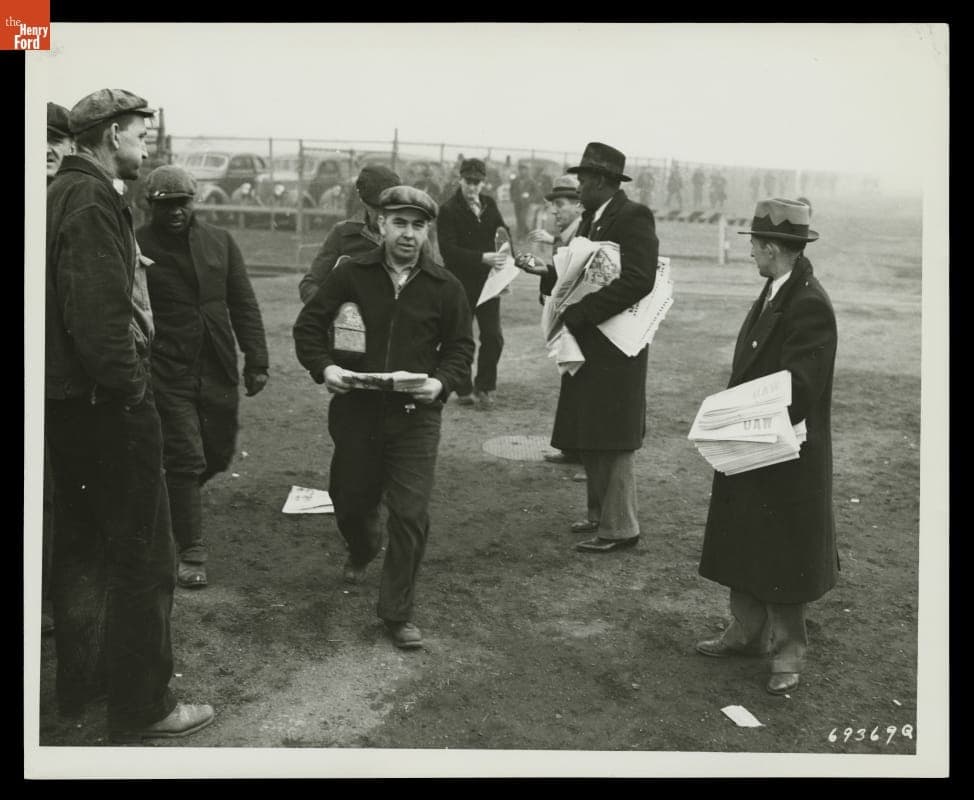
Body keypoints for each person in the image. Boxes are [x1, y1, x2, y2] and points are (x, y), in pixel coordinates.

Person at [46, 88, 213, 741]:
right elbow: (98, 322)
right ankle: (143, 706)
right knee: (144, 559)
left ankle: (82, 686)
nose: (146, 144)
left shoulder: (63, 193)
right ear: (112, 133)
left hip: (69, 409)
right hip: (109, 408)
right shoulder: (91, 199)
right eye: (140, 133)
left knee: (82, 551)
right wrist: (132, 392)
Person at [293, 186, 473, 649]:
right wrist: (325, 367)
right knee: (350, 500)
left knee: (410, 514)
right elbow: (309, 327)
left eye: (417, 225)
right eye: (399, 223)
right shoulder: (351, 274)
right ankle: (362, 544)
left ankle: (397, 613)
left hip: (416, 415)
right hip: (356, 410)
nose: (408, 234)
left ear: (427, 230)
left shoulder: (445, 286)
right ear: (380, 225)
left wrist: (441, 383)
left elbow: (460, 349)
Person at [695, 198, 837, 697]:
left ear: (774, 248)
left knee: (783, 553)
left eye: (754, 245)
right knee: (746, 538)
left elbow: (801, 386)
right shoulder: (777, 289)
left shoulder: (808, 303)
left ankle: (789, 652)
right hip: (755, 443)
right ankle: (747, 630)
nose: (750, 254)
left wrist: (743, 414)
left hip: (785, 450)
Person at [136, 165, 269, 590]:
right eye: (166, 204)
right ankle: (191, 549)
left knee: (218, 450)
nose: (176, 212)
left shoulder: (219, 241)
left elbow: (243, 302)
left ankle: (176, 492)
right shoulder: (135, 244)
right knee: (186, 456)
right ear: (151, 205)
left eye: (183, 203)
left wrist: (258, 360)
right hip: (165, 366)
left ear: (194, 202)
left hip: (216, 364)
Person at [521, 142, 658, 553]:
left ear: (601, 181)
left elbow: (639, 279)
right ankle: (600, 516)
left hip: (617, 345)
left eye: (582, 180)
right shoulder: (591, 220)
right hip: (591, 343)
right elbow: (572, 272)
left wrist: (582, 314)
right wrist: (545, 272)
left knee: (613, 435)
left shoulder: (632, 217)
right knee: (592, 429)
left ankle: (621, 528)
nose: (577, 188)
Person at [437, 158, 511, 408]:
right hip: (460, 284)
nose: (472, 187)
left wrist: (505, 262)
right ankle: (463, 387)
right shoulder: (448, 209)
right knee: (461, 337)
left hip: (489, 284)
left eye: (477, 182)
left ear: (483, 182)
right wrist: (482, 257)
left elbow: (503, 234)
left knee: (493, 337)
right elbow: (448, 250)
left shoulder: (489, 204)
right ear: (460, 179)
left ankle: (485, 387)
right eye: (468, 181)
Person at [522, 175, 585, 467]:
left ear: (578, 206)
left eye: (560, 204)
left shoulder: (582, 235)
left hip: (583, 319)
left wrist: (543, 274)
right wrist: (544, 282)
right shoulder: (567, 235)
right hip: (569, 316)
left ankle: (585, 454)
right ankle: (572, 447)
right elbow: (560, 274)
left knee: (581, 381)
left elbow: (573, 279)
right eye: (553, 205)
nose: (554, 211)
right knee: (572, 381)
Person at [300, 165, 401, 304]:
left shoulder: (411, 238)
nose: (382, 214)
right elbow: (310, 284)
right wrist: (331, 308)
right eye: (376, 208)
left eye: (390, 207)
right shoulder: (342, 233)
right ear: (363, 201)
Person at [509, 162, 540, 241]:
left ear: (527, 171)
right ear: (519, 170)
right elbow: (511, 190)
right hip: (517, 202)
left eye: (524, 170)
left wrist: (530, 198)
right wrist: (513, 198)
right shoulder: (515, 180)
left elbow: (536, 192)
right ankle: (527, 232)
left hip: (526, 203)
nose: (523, 171)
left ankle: (520, 237)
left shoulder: (531, 181)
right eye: (521, 170)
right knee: (519, 219)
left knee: (522, 218)